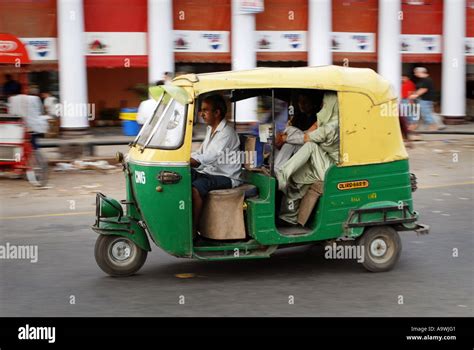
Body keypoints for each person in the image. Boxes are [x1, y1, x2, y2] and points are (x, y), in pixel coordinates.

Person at [276, 92, 339, 226]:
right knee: (296, 178)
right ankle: (289, 218)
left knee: (309, 145)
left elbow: (307, 138)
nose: (322, 107)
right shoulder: (326, 121)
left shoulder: (333, 126)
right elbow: (308, 133)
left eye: (325, 105)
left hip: (333, 169)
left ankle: (283, 171)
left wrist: (285, 138)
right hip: (321, 163)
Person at [190, 94, 242, 235]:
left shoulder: (226, 133)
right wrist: (185, 158)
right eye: (201, 110)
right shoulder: (210, 130)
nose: (201, 114)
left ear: (217, 113)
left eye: (205, 110)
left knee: (196, 188)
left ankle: (193, 230)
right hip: (210, 172)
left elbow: (210, 156)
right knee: (181, 176)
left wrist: (190, 161)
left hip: (226, 177)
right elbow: (200, 152)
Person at [274, 91, 323, 171]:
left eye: (305, 102)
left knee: (289, 142)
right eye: (299, 102)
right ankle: (275, 167)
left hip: (309, 145)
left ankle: (277, 170)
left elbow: (308, 135)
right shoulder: (299, 117)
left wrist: (286, 138)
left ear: (312, 103)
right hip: (296, 144)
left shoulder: (318, 117)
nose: (301, 104)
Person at [409, 67, 439, 131]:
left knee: (426, 113)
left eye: (416, 72)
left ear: (420, 72)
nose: (415, 74)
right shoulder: (422, 80)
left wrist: (414, 95)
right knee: (419, 113)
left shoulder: (427, 80)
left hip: (425, 99)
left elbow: (423, 89)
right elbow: (420, 89)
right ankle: (414, 125)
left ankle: (433, 126)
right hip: (421, 99)